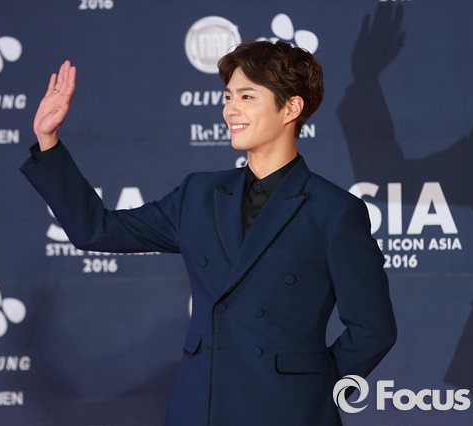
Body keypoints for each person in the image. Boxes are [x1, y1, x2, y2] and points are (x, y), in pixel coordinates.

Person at [21, 40, 396, 426]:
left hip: (288, 413)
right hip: (201, 408)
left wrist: (313, 391)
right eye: (228, 96)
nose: (230, 109)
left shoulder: (334, 211)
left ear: (291, 108)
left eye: (247, 96)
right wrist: (48, 142)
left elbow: (373, 330)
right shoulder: (198, 195)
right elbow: (96, 230)